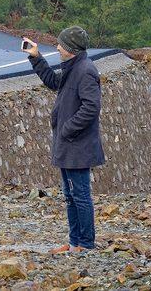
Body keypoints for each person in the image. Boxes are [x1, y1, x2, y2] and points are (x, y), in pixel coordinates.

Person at [22, 26, 105, 254]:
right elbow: (53, 82)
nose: (57, 47)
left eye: (61, 44)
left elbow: (91, 107)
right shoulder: (74, 67)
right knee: (70, 196)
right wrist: (36, 58)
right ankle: (74, 243)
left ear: (71, 49)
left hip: (78, 145)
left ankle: (85, 245)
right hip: (70, 144)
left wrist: (67, 129)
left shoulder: (86, 70)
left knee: (80, 196)